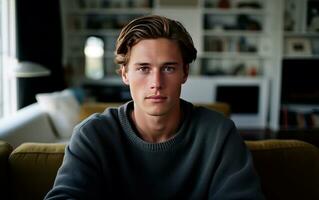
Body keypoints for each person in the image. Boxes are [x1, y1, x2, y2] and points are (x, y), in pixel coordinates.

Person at [45, 15, 264, 199]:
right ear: (124, 74)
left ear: (184, 73)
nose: (156, 83)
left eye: (168, 68)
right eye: (143, 68)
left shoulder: (219, 134)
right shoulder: (93, 135)